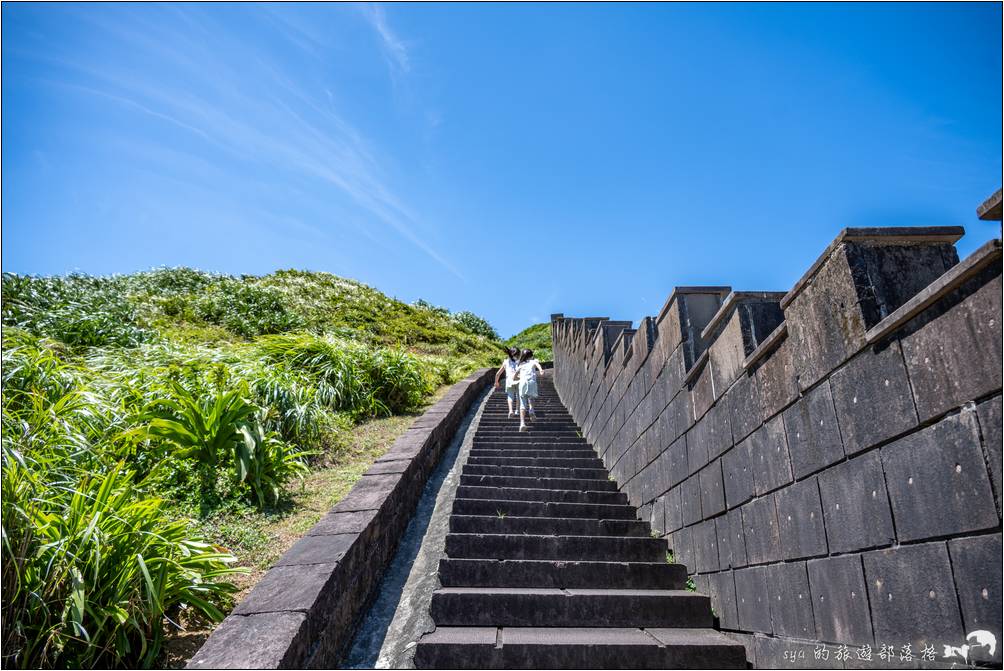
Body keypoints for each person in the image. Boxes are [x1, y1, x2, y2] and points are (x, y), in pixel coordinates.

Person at [515, 348, 544, 432]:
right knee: (531, 398)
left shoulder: (521, 365)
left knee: (523, 404)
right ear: (531, 356)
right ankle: (531, 410)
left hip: (523, 383)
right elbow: (539, 367)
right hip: (532, 382)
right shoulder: (533, 361)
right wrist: (541, 371)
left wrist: (520, 377)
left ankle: (522, 424)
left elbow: (514, 376)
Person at [494, 347, 521, 417]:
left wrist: (496, 382)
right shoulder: (520, 362)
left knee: (510, 396)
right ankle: (517, 411)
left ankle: (511, 410)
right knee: (519, 396)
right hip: (519, 380)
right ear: (518, 354)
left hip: (509, 381)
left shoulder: (506, 362)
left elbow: (498, 374)